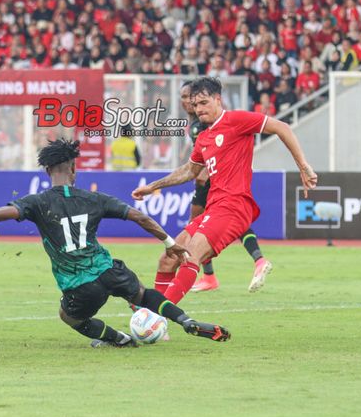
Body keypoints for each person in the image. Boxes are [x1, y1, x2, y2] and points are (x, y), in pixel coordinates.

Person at [0, 139, 230, 346]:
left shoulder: (38, 202)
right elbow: (138, 216)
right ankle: (186, 321)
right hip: (108, 269)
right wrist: (168, 242)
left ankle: (119, 339)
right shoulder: (95, 199)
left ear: (48, 171)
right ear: (74, 169)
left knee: (69, 316)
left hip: (78, 285)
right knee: (141, 294)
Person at [132, 77, 317, 304]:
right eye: (195, 104)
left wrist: (303, 165)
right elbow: (190, 170)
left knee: (191, 257)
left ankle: (155, 316)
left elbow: (281, 127)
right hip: (214, 207)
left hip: (234, 206)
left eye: (203, 103)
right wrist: (153, 186)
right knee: (169, 258)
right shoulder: (204, 138)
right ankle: (157, 316)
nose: (198, 109)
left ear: (218, 100)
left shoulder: (236, 120)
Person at [179, 81, 271, 293]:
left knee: (196, 226)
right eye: (184, 98)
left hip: (213, 181)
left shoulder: (199, 125)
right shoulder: (195, 122)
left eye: (188, 97)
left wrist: (200, 175)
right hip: (218, 178)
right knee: (238, 224)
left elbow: (207, 154)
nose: (186, 102)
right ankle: (258, 260)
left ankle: (208, 276)